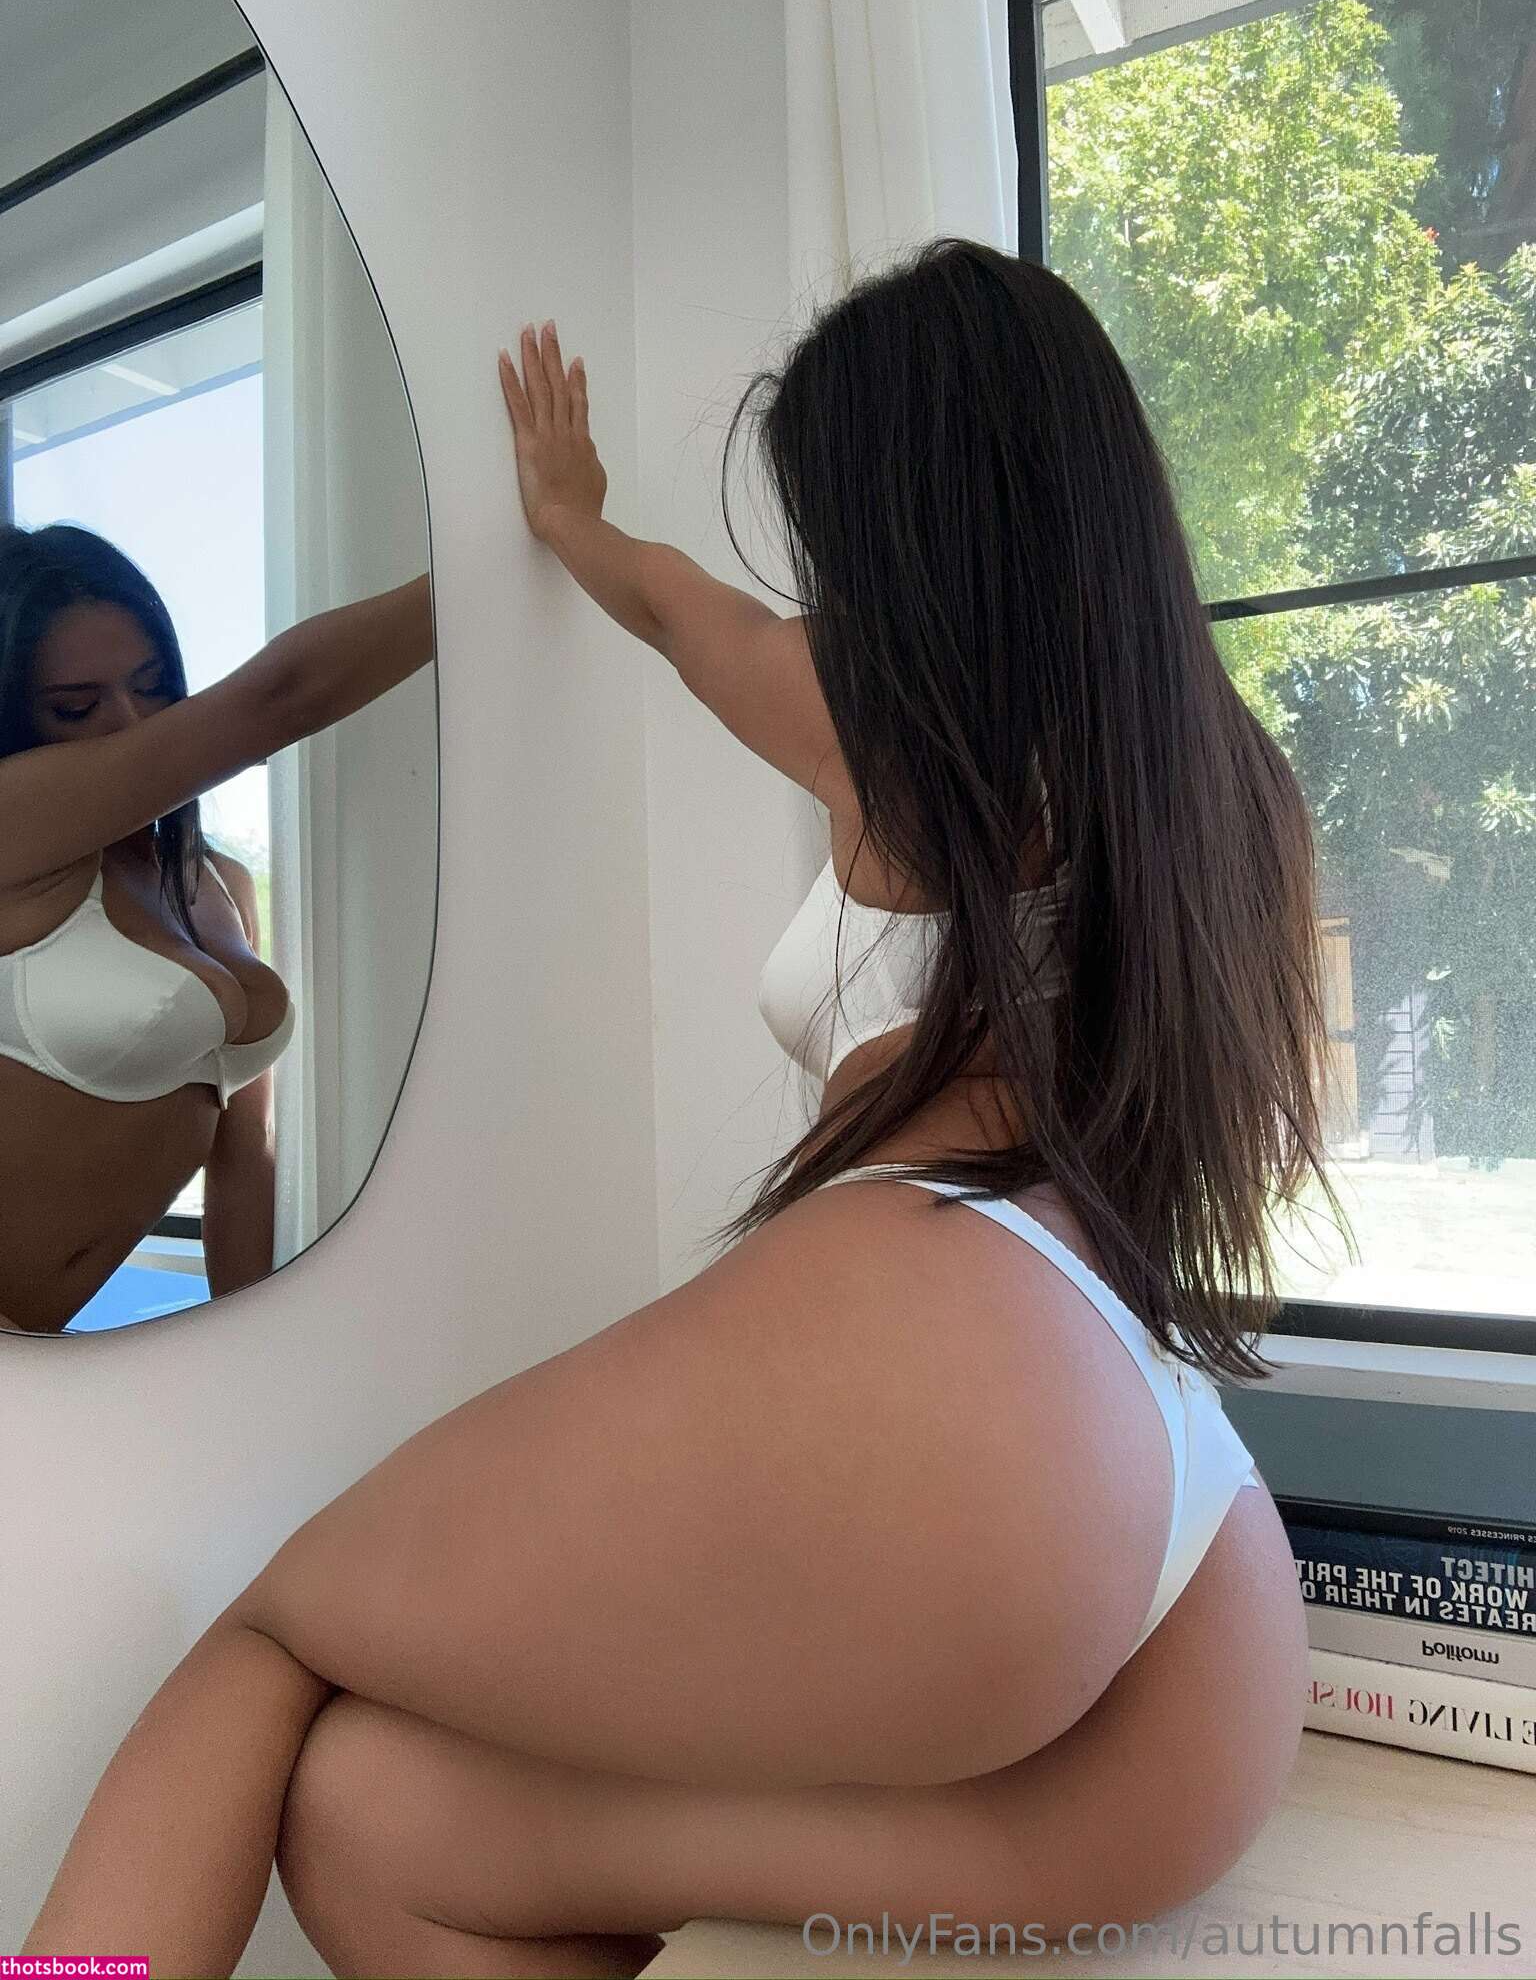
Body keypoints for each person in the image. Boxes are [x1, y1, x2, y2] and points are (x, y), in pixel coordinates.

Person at [23, 244, 1337, 1976]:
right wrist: (575, 527)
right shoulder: (1230, 788)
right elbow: (671, 610)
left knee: (273, 1629)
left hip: (955, 1350)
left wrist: (572, 521)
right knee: (369, 1819)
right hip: (1192, 1561)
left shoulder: (889, 726)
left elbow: (676, 611)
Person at [0, 524, 432, 1333]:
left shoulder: (215, 882)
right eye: (76, 707)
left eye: (155, 686)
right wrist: (485, 568)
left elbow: (244, 1150)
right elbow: (281, 698)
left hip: (48, 1357)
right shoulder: (14, 826)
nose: (133, 723)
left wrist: (252, 1339)